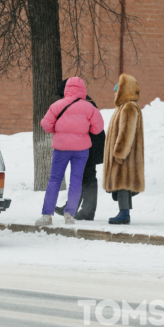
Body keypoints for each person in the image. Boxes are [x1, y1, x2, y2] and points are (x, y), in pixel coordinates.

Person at [35, 77, 104, 226]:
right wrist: (85, 130)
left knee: (54, 180)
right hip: (81, 150)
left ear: (66, 89)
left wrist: (59, 130)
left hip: (61, 149)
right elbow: (98, 128)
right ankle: (69, 214)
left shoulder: (57, 105)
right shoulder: (89, 107)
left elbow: (46, 125)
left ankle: (47, 216)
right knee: (76, 182)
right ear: (83, 90)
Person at [53, 79, 106, 220]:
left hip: (89, 147)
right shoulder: (85, 102)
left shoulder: (85, 104)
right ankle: (73, 208)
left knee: (87, 178)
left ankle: (87, 211)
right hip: (87, 146)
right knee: (83, 177)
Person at [103, 73, 145, 225]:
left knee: (122, 181)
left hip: (125, 155)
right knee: (124, 183)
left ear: (123, 91)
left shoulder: (128, 107)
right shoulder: (125, 107)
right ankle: (124, 211)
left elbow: (126, 133)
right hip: (127, 155)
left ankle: (124, 212)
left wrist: (119, 153)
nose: (114, 94)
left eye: (117, 90)